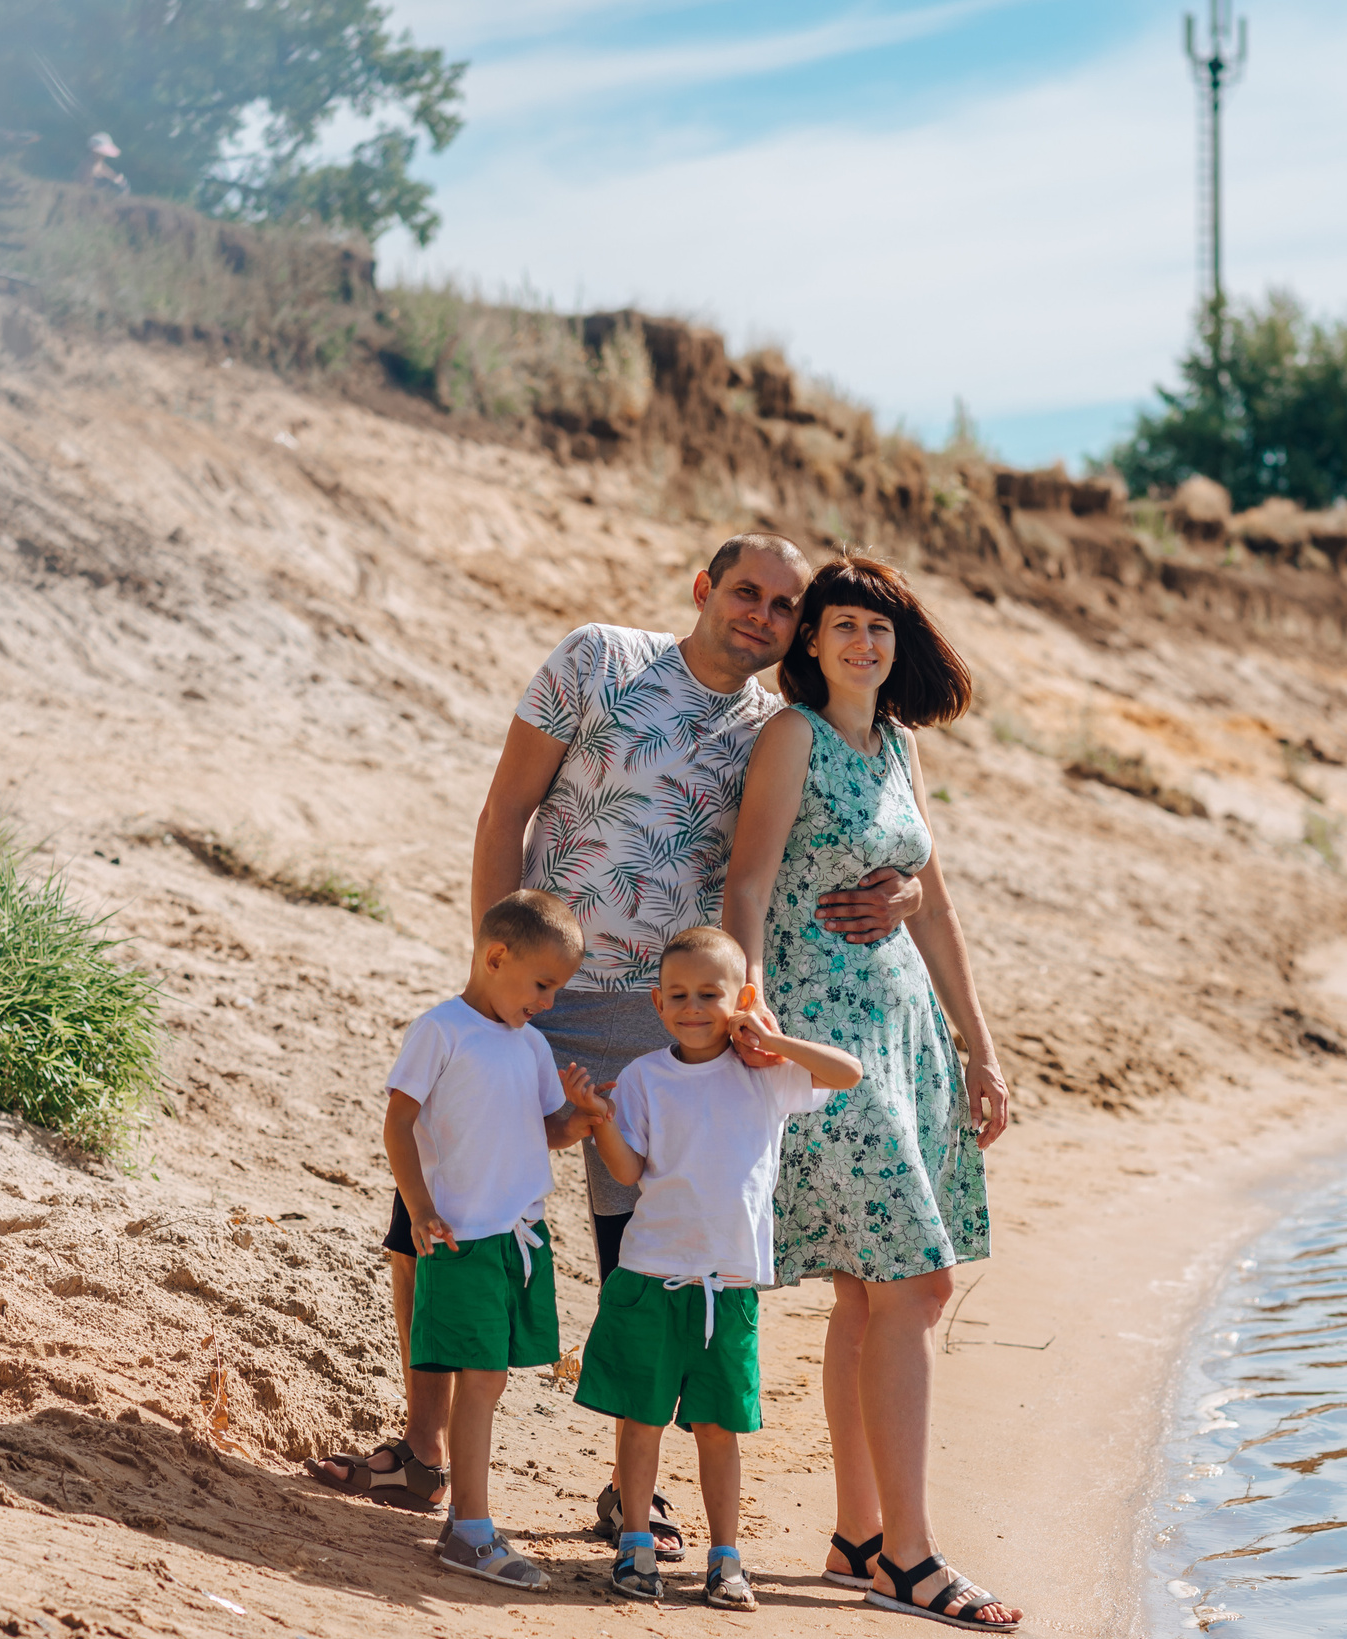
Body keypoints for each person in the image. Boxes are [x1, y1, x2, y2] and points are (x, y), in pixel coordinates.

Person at [318, 533, 924, 1556]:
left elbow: (831, 841)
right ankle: (423, 1449)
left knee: (639, 1256)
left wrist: (901, 887)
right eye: (745, 592)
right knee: (433, 1212)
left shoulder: (781, 728)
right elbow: (507, 804)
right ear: (703, 588)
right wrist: (493, 980)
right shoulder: (598, 657)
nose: (762, 616)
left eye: (784, 605)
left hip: (664, 1015)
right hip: (536, 991)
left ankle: (629, 1489)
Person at [724, 551, 1021, 1633]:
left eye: (878, 629)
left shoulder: (896, 743)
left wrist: (979, 1045)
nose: (861, 641)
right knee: (918, 1282)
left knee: (867, 1285)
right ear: (810, 641)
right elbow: (746, 880)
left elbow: (933, 907)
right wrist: (750, 1011)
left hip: (906, 1029)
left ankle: (857, 1536)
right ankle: (911, 1550)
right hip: (824, 1031)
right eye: (842, 624)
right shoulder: (790, 735)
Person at [564, 926, 863, 1610]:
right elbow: (627, 1171)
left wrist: (771, 1038)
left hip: (728, 1284)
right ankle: (635, 1541)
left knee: (718, 1427)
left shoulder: (765, 1075)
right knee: (640, 1420)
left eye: (710, 993)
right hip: (649, 1275)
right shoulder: (645, 1076)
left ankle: (726, 1556)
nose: (693, 1006)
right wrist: (597, 1115)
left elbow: (847, 1072)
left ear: (741, 998)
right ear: (657, 1001)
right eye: (678, 994)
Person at [372, 890, 594, 1588]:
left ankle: (469, 1521)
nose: (549, 1002)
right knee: (478, 1379)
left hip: (517, 1237)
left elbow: (548, 1130)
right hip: (461, 1236)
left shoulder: (531, 1044)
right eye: (542, 984)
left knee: (490, 1380)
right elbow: (398, 1122)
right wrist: (418, 1205)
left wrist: (583, 1118)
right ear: (495, 956)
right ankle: (469, 1527)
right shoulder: (442, 1030)